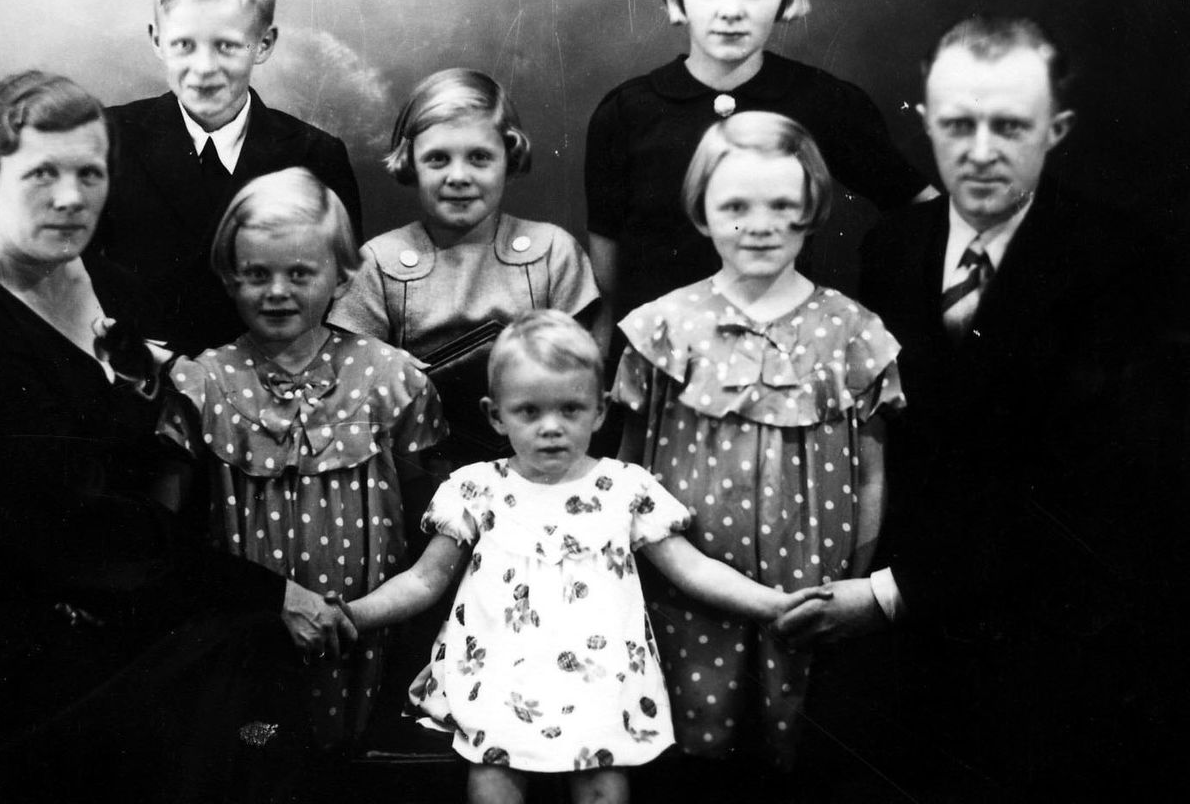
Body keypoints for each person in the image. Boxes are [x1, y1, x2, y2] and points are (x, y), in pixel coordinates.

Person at [0, 72, 356, 804]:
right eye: (41, 174)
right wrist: (265, 589)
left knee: (255, 667)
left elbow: (157, 443)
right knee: (240, 653)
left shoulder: (110, 286)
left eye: (90, 173)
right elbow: (68, 529)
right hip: (2, 648)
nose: (70, 197)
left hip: (111, 593)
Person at [776, 16, 1188, 798]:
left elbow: (1105, 494)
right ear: (928, 124)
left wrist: (892, 595)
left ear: (1055, 130)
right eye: (958, 125)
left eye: (1011, 126)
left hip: (1055, 633)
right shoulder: (894, 247)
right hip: (909, 636)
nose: (981, 150)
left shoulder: (1127, 260)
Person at [337, 310, 830, 804]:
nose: (551, 427)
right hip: (500, 677)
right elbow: (424, 580)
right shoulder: (476, 489)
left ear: (599, 411)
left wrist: (773, 604)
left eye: (571, 409)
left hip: (600, 680)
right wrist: (352, 615)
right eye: (529, 411)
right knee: (493, 785)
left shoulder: (624, 487)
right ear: (496, 415)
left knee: (602, 787)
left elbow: (693, 568)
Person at [610, 112, 903, 781]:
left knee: (795, 769)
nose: (760, 224)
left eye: (781, 205)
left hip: (811, 602)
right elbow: (628, 474)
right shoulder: (663, 327)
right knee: (690, 774)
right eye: (736, 206)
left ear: (812, 208)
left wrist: (847, 586)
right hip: (682, 595)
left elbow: (872, 474)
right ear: (702, 212)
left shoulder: (852, 331)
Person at [157, 168, 445, 749]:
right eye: (256, 274)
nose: (277, 291)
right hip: (247, 642)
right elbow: (165, 537)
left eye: (300, 273)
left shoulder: (391, 379)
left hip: (373, 635)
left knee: (359, 765)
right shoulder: (200, 385)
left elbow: (429, 524)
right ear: (229, 277)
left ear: (342, 275)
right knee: (257, 753)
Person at [586, 0, 930, 359]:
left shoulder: (822, 101)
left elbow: (923, 212)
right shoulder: (627, 113)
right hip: (660, 365)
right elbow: (609, 280)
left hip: (783, 365)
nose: (732, 10)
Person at [94, 0, 362, 356]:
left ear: (264, 44)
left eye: (227, 46)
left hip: (271, 382)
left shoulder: (315, 156)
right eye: (184, 44)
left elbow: (337, 296)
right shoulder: (107, 139)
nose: (204, 69)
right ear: (157, 40)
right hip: (135, 380)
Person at [329, 67, 598, 468]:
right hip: (416, 473)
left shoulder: (551, 252)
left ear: (508, 157)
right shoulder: (380, 262)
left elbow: (580, 377)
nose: (458, 176)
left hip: (536, 471)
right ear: (411, 162)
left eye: (479, 158)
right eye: (438, 159)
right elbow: (352, 378)